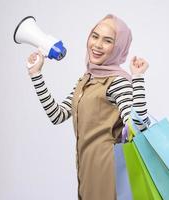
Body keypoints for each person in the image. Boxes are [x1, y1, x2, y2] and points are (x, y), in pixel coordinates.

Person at [27, 14, 151, 200]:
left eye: (107, 41)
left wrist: (138, 79)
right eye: (95, 36)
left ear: (118, 47)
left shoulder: (117, 82)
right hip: (86, 168)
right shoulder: (87, 79)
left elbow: (139, 128)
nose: (97, 45)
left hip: (109, 171)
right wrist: (36, 75)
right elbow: (57, 115)